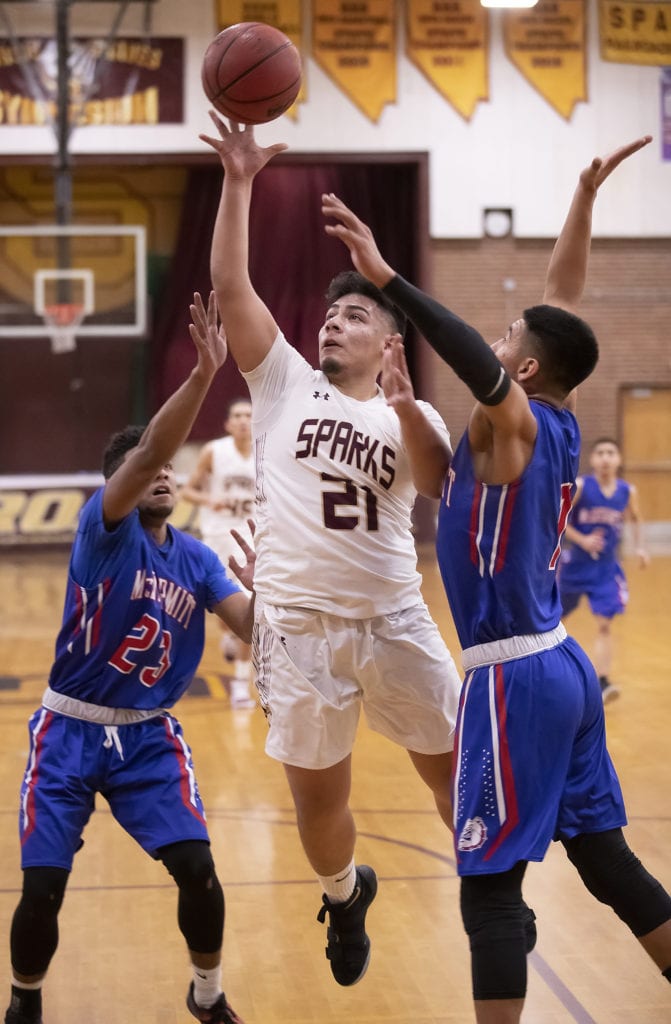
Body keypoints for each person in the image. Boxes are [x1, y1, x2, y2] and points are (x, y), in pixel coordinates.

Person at [320, 135, 671, 1023]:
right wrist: (583, 196)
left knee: (485, 887)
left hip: (511, 676)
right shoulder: (545, 417)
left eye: (509, 338)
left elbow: (482, 357)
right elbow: (562, 297)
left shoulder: (509, 418)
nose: (504, 335)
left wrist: (386, 277)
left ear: (517, 369)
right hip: (559, 667)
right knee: (607, 864)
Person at [200, 114, 462, 988]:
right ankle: (343, 895)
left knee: (455, 772)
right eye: (327, 312)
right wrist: (239, 181)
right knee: (321, 806)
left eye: (351, 314)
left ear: (388, 338)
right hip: (299, 630)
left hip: (392, 618)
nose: (329, 323)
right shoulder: (280, 384)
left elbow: (434, 484)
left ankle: (487, 888)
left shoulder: (406, 413)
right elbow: (232, 284)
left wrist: (409, 406)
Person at [4, 292, 254, 1024]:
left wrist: (275, 598)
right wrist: (205, 376)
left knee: (198, 870)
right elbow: (145, 450)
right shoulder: (104, 532)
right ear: (122, 483)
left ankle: (206, 993)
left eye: (173, 468)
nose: (167, 474)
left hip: (146, 732)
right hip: (70, 729)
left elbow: (252, 627)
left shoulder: (198, 558)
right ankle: (24, 1002)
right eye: (153, 468)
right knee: (43, 885)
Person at [559, 436, 650, 702]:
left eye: (611, 452)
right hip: (574, 566)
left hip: (606, 569)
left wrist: (641, 548)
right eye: (601, 452)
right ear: (593, 459)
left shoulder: (626, 491)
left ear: (619, 460)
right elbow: (559, 518)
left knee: (604, 625)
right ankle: (555, 673)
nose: (606, 458)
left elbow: (636, 518)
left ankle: (602, 680)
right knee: (554, 620)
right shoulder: (582, 486)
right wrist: (583, 540)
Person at [181, 398, 257, 708]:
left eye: (248, 416)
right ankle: (228, 633)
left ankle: (241, 683)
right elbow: (187, 490)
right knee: (223, 612)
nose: (242, 420)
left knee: (252, 610)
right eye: (237, 415)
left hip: (253, 542)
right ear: (228, 424)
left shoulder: (267, 453)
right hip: (218, 539)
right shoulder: (214, 451)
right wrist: (208, 500)